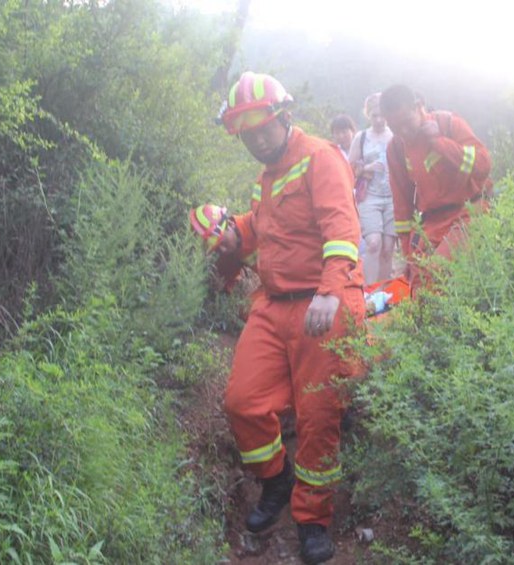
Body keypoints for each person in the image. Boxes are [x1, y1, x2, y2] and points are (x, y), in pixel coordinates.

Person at [216, 71, 366, 565]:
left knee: (319, 414)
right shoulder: (267, 175)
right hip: (273, 304)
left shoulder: (320, 157)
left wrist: (330, 291)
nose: (257, 140)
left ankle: (312, 518)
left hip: (321, 303)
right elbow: (259, 226)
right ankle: (276, 479)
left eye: (263, 128)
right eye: (247, 134)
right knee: (242, 401)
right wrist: (232, 233)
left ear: (284, 117)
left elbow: (342, 225)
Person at [380, 84, 492, 292]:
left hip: (469, 212)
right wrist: (408, 255)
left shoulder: (449, 124)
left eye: (407, 123)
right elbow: (402, 205)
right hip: (433, 221)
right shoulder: (395, 148)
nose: (404, 133)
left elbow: (484, 165)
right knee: (418, 283)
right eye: (395, 128)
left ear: (418, 106)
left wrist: (440, 143)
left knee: (436, 272)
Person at [348, 92, 396, 285]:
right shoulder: (362, 137)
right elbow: (348, 167)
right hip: (370, 197)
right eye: (374, 115)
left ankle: (384, 294)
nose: (379, 120)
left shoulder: (395, 136)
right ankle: (367, 292)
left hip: (393, 197)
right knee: (373, 243)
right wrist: (366, 168)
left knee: (388, 247)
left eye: (382, 114)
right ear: (368, 115)